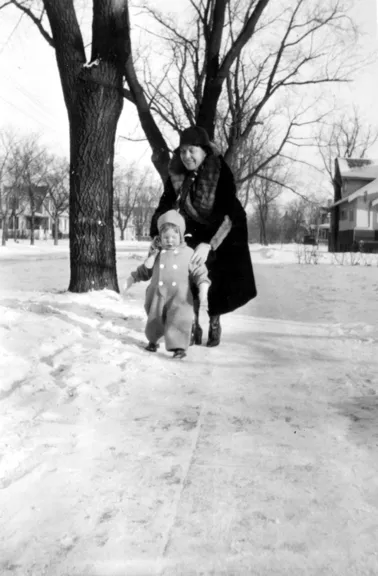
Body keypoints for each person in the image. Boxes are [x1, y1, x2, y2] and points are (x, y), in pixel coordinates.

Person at [149, 126, 257, 347]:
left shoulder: (220, 172)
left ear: (204, 151)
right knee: (187, 275)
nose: (187, 156)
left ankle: (214, 320)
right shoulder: (176, 174)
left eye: (192, 151)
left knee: (216, 276)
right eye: (183, 151)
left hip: (223, 228)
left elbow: (228, 213)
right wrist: (157, 231)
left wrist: (209, 244)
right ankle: (192, 322)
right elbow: (165, 203)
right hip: (191, 229)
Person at [124, 210, 210, 359]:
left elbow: (199, 271)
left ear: (181, 235)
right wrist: (133, 278)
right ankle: (153, 340)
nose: (169, 240)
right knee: (154, 317)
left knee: (179, 319)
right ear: (160, 237)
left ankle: (179, 347)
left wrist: (203, 285)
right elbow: (146, 270)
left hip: (180, 295)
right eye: (166, 237)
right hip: (157, 293)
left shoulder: (188, 253)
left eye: (173, 237)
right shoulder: (156, 253)